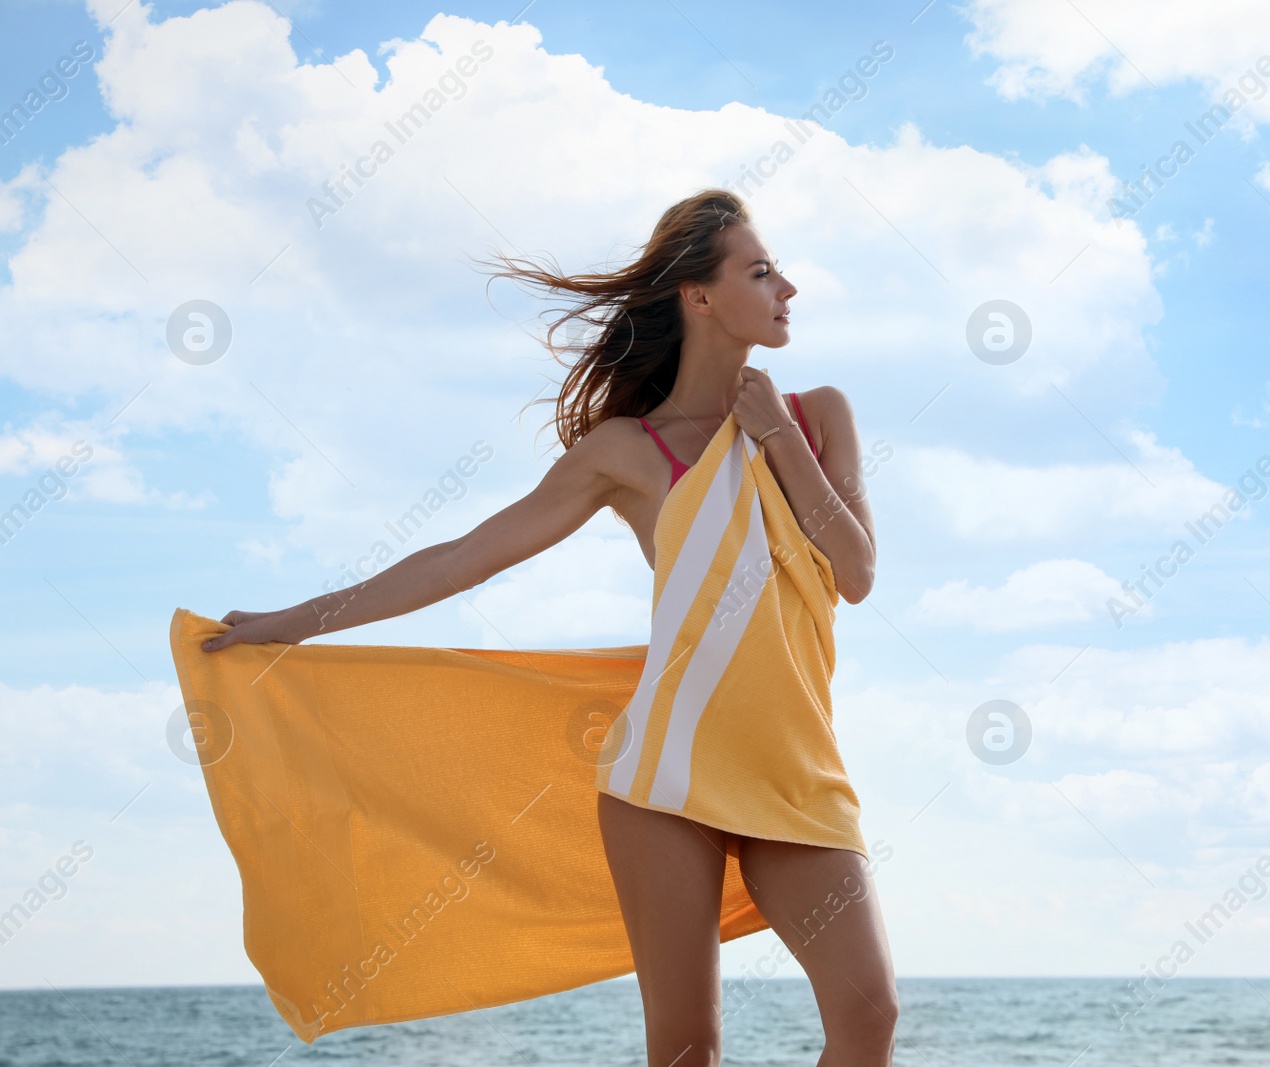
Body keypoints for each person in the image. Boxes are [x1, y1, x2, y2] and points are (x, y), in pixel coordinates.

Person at [198, 189, 897, 1065]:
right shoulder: (627, 450)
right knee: (686, 1048)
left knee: (869, 1019)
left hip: (796, 770)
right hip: (665, 779)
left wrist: (776, 439)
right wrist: (293, 623)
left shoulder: (815, 416)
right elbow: (463, 559)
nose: (788, 287)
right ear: (700, 296)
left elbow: (857, 573)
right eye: (761, 272)